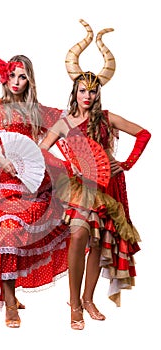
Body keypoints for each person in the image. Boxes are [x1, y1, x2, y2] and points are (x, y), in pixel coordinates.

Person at [39, 19, 151, 330]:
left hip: (107, 186)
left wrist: (125, 163)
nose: (87, 95)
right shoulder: (64, 122)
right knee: (78, 235)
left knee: (98, 242)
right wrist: (65, 167)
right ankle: (74, 302)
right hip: (78, 187)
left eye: (92, 91)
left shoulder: (107, 118)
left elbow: (143, 134)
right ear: (74, 92)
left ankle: (89, 299)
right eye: (82, 90)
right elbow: (42, 149)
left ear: (97, 94)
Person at [0, 55, 69, 328]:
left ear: (30, 80)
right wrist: (2, 160)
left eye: (23, 77)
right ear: (5, 77)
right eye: (13, 75)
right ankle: (9, 303)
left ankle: (73, 301)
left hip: (32, 185)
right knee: (7, 232)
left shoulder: (37, 111)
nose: (17, 82)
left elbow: (67, 121)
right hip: (5, 183)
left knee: (26, 237)